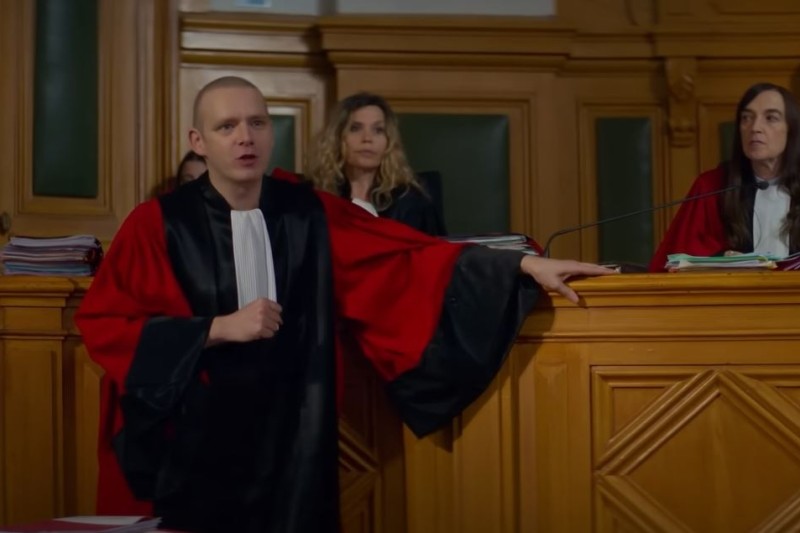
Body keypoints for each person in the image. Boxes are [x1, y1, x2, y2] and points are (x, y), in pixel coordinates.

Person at [75, 76, 613, 533]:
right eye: (226, 127)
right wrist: (217, 328)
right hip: (193, 441)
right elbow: (105, 324)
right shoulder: (156, 224)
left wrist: (521, 266)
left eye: (257, 123)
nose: (245, 138)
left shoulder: (307, 211)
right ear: (199, 141)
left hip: (292, 433)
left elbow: (402, 257)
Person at [650, 82, 800, 271]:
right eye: (746, 118)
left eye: (771, 118)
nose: (755, 127)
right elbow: (672, 266)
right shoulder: (712, 187)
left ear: (791, 129)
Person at [305, 92, 446, 235]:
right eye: (355, 128)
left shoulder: (412, 203)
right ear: (337, 138)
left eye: (378, 130)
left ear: (389, 141)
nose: (367, 138)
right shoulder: (313, 198)